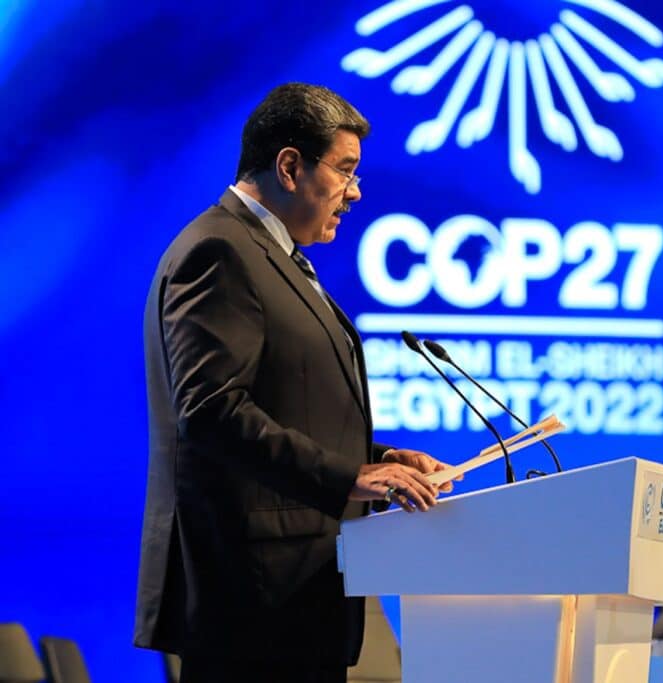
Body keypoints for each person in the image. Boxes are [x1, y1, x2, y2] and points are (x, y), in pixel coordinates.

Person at [134, 82, 455, 683]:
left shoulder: (273, 256)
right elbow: (211, 411)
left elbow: (288, 411)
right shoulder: (220, 251)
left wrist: (382, 460)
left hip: (294, 606)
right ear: (288, 165)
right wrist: (349, 477)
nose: (355, 192)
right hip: (251, 605)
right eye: (345, 170)